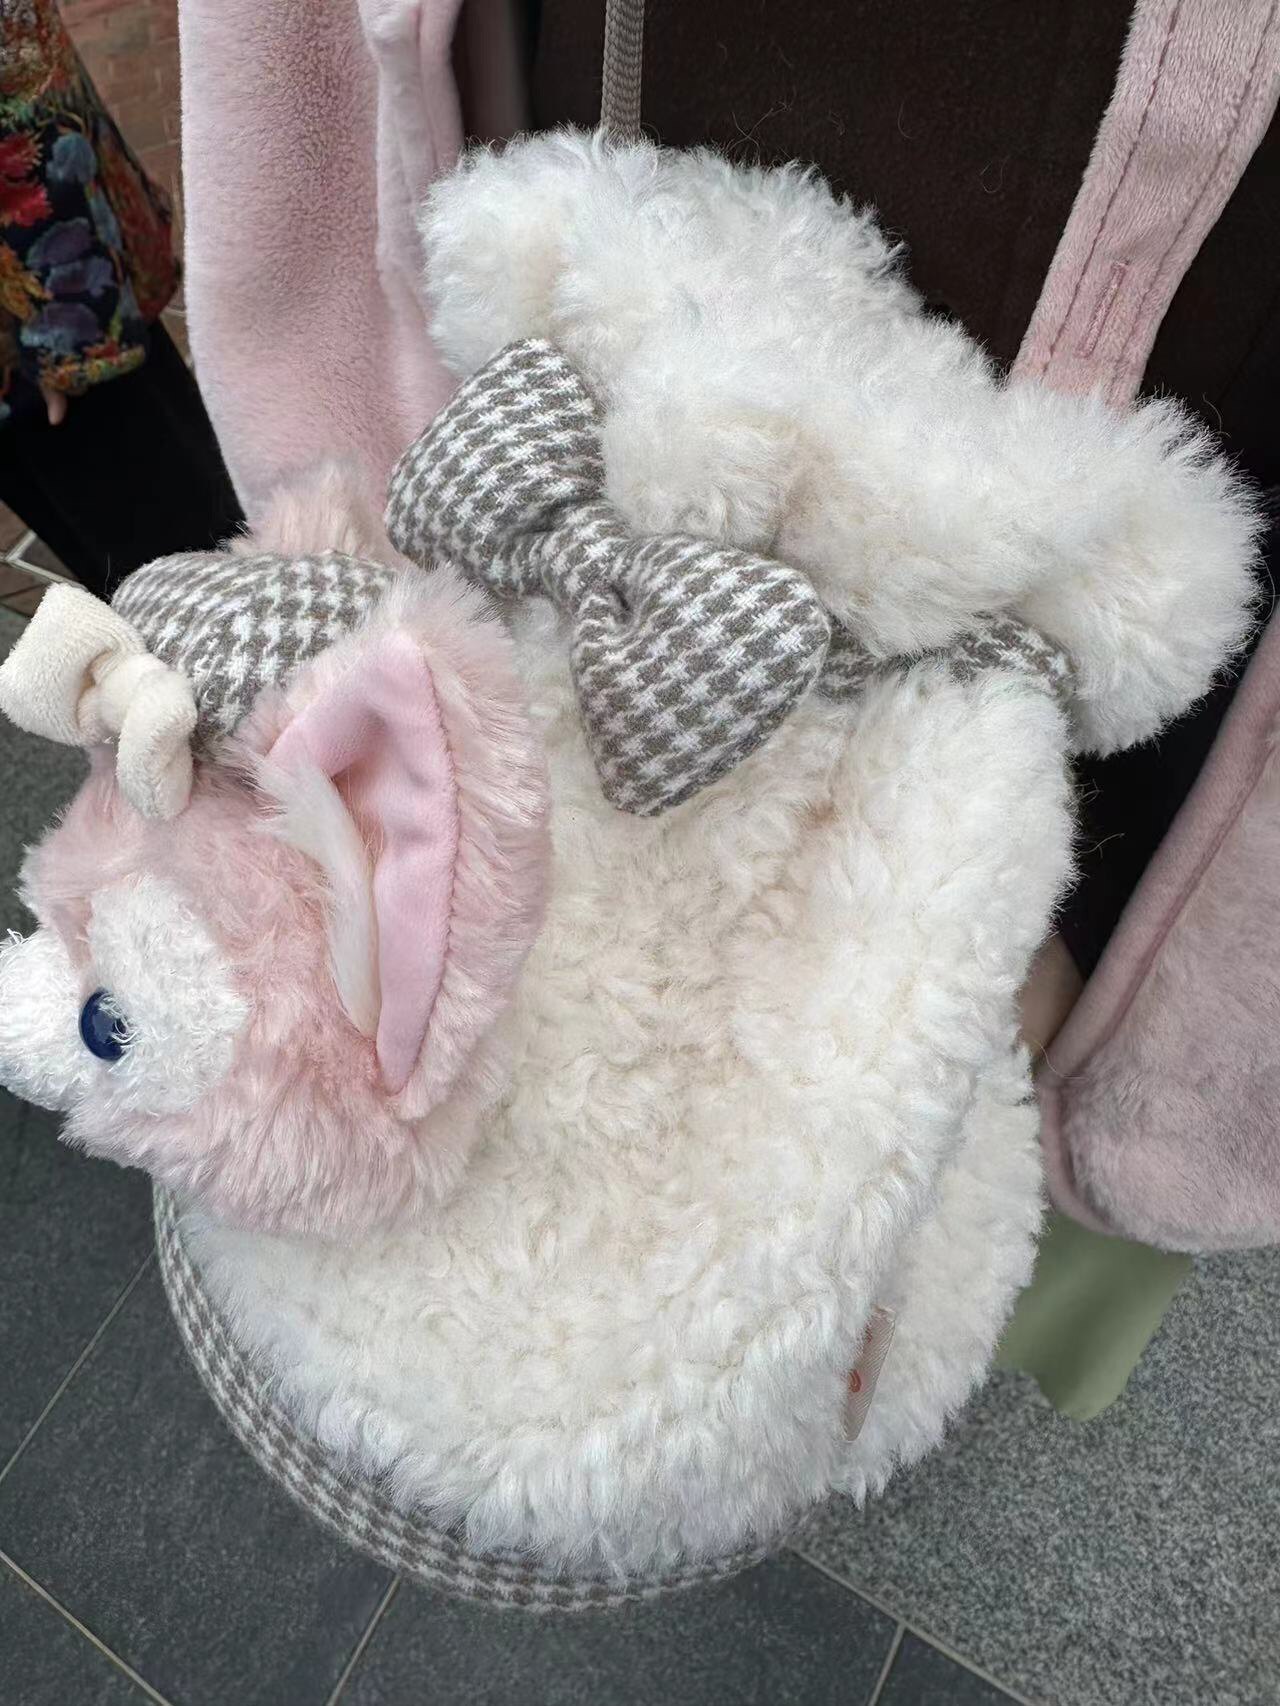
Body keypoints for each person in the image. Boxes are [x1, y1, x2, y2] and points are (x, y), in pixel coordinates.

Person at [0, 0, 241, 601]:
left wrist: (68, 326)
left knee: (196, 566)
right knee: (135, 579)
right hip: (46, 314)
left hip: (47, 314)